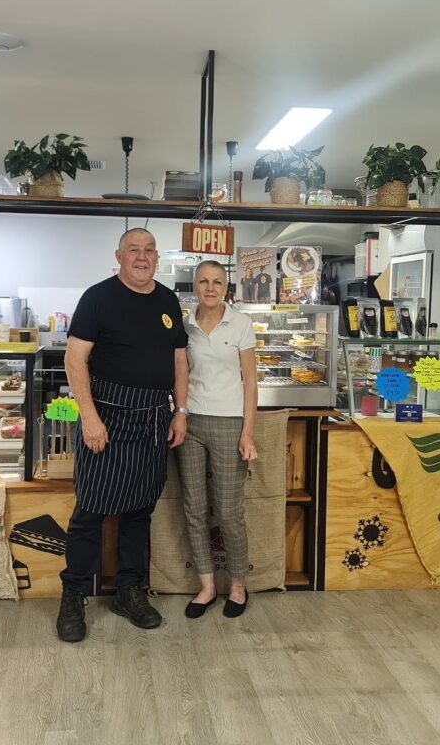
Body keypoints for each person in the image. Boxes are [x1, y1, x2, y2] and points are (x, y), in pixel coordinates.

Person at [56, 228, 189, 643]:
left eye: (149, 250)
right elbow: (74, 360)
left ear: (157, 258)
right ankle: (73, 595)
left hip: (153, 418)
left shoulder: (168, 300)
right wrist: (90, 418)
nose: (142, 256)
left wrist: (179, 411)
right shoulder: (98, 297)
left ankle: (129, 591)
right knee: (90, 513)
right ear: (119, 256)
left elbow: (180, 360)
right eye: (134, 249)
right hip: (106, 419)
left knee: (139, 512)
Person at [178, 260, 258, 618]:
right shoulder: (185, 325)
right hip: (192, 422)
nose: (210, 288)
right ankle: (207, 585)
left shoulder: (240, 324)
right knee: (195, 509)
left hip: (229, 423)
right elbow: (181, 373)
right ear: (195, 286)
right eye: (204, 282)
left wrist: (248, 432)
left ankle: (238, 585)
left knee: (228, 511)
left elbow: (251, 382)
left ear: (227, 287)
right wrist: (179, 412)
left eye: (217, 282)